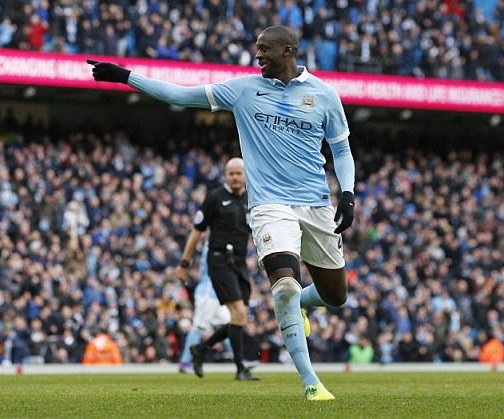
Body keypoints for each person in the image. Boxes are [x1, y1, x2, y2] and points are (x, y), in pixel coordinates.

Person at [88, 24, 355, 401]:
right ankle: (311, 383)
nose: (257, 55)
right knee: (284, 287)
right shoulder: (243, 90)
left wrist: (348, 193)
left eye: (264, 49)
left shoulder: (324, 95)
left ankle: (302, 305)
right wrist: (125, 76)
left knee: (336, 295)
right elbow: (179, 95)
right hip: (270, 206)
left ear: (288, 50)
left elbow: (341, 151)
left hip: (315, 204)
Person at [175, 157, 257, 381]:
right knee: (238, 312)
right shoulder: (215, 198)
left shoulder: (251, 199)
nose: (235, 177)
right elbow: (197, 231)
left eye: (239, 173)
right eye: (231, 173)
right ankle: (240, 369)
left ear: (246, 175)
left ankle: (201, 349)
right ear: (226, 175)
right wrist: (184, 263)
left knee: (240, 317)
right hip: (220, 261)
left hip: (240, 263)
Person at [178, 244, 233, 374]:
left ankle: (238, 360)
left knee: (230, 325)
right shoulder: (215, 244)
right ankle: (185, 363)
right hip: (207, 293)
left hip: (217, 292)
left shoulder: (217, 243)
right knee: (199, 328)